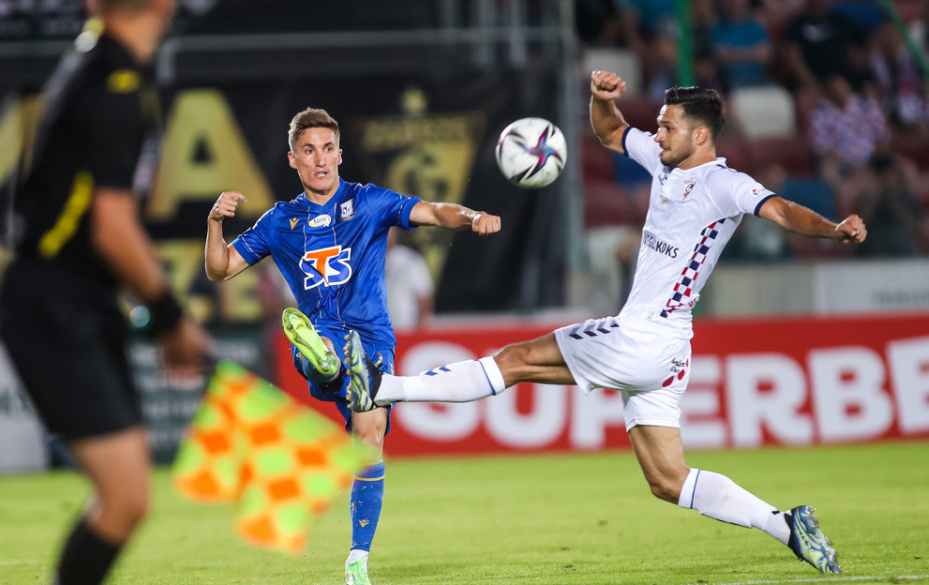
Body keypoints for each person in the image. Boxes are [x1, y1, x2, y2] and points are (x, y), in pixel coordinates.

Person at [344, 70, 868, 576]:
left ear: (700, 134)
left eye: (668, 126)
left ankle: (386, 388)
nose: (657, 133)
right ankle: (787, 526)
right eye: (659, 125)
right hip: (666, 347)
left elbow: (781, 212)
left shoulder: (724, 183)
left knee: (518, 360)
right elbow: (612, 131)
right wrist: (600, 98)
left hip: (643, 335)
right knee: (668, 480)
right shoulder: (665, 163)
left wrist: (834, 229)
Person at [204, 107, 501, 585]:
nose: (319, 160)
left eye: (326, 149)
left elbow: (432, 211)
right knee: (329, 355)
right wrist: (215, 221)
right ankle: (325, 357)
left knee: (368, 437)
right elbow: (219, 269)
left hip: (373, 338)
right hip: (325, 332)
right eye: (308, 151)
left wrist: (472, 216)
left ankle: (357, 561)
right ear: (293, 160)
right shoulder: (281, 221)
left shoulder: (370, 202)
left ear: (340, 154)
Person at [0, 2, 212, 585]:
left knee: (127, 499)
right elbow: (111, 227)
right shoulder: (115, 84)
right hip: (53, 300)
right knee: (124, 497)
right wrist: (170, 315)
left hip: (67, 295)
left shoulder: (98, 65)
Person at [384, 227, 434, 330]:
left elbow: (424, 297)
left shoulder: (411, 260)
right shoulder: (363, 262)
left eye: (389, 231)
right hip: (376, 334)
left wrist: (421, 329)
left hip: (406, 328)